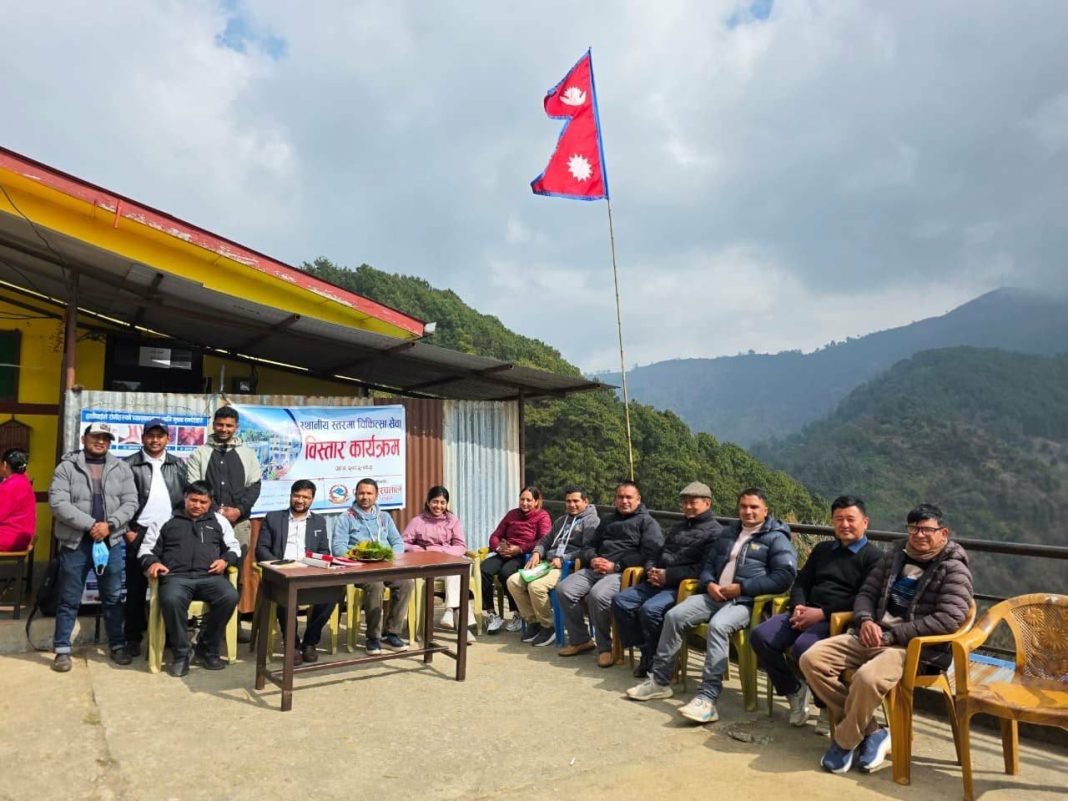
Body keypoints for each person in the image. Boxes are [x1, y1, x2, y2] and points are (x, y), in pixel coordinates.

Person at [799, 503, 973, 775]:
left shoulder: (953, 569)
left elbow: (949, 619)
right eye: (913, 528)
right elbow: (866, 594)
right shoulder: (894, 557)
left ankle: (844, 742)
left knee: (867, 679)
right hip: (873, 636)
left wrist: (893, 635)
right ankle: (873, 731)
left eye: (926, 529)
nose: (919, 535)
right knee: (811, 659)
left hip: (913, 648)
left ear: (943, 533)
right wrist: (865, 620)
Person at [626, 488, 797, 724]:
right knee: (674, 616)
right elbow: (707, 566)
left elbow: (784, 576)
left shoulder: (776, 538)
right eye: (743, 506)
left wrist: (742, 588)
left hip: (745, 602)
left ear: (765, 510)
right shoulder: (729, 533)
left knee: (718, 626)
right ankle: (660, 681)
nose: (748, 511)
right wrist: (708, 583)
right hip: (714, 595)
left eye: (754, 507)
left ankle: (707, 698)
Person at [750, 495, 882, 728]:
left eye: (850, 519)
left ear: (865, 522)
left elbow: (864, 597)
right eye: (838, 519)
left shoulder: (874, 557)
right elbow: (802, 581)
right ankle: (793, 690)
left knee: (804, 648)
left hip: (836, 620)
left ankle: (825, 705)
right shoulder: (823, 549)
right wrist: (798, 606)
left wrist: (822, 614)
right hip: (805, 612)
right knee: (761, 636)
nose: (844, 524)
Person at [48, 423, 138, 672]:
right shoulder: (67, 467)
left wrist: (110, 525)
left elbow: (131, 502)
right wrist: (91, 525)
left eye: (105, 438)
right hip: (76, 542)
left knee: (113, 597)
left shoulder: (121, 468)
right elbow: (58, 503)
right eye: (96, 437)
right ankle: (62, 649)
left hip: (111, 541)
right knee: (69, 598)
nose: (100, 441)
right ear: (83, 438)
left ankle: (117, 645)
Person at [612, 481, 723, 678]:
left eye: (692, 502)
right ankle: (648, 653)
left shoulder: (715, 533)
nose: (687, 506)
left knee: (650, 610)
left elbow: (703, 569)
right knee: (621, 601)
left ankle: (662, 662)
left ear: (707, 503)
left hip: (681, 587)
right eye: (685, 502)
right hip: (657, 580)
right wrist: (651, 570)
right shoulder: (678, 526)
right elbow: (657, 552)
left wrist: (668, 576)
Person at [139, 481, 241, 677]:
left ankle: (208, 647)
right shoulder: (165, 519)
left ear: (210, 502)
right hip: (176, 578)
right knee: (170, 599)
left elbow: (234, 547)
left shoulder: (219, 521)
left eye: (203, 502)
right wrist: (152, 563)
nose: (197, 505)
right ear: (185, 497)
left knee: (230, 596)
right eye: (193, 500)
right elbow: (146, 549)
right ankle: (181, 654)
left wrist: (225, 560)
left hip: (209, 577)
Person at [557, 480, 664, 667]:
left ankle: (605, 648)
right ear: (615, 500)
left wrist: (616, 566)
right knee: (564, 589)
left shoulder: (647, 523)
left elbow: (650, 554)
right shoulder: (607, 520)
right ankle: (581, 640)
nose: (624, 501)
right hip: (595, 568)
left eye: (628, 497)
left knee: (597, 596)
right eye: (620, 497)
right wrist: (593, 559)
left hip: (621, 573)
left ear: (638, 499)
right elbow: (588, 546)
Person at [507, 486, 600, 647]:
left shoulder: (591, 521)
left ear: (585, 502)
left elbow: (588, 550)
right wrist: (537, 552)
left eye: (576, 501)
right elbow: (545, 540)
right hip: (547, 564)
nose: (571, 505)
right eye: (568, 501)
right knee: (513, 582)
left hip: (568, 567)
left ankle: (548, 626)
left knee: (536, 587)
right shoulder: (561, 520)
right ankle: (534, 622)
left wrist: (564, 559)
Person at [123, 419, 185, 657]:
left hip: (169, 534)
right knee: (136, 589)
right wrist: (127, 530)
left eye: (160, 436)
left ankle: (169, 636)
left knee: (171, 587)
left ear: (168, 439)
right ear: (143, 437)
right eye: (151, 435)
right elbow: (115, 500)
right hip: (138, 532)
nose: (155, 440)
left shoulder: (178, 464)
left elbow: (186, 499)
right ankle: (132, 638)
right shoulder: (129, 464)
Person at [256, 480, 336, 664]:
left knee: (331, 596)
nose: (300, 500)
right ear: (291, 496)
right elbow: (261, 550)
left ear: (312, 499)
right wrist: (280, 566)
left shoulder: (319, 521)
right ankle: (291, 644)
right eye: (297, 496)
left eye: (305, 497)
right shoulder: (273, 518)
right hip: (281, 574)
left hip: (308, 574)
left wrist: (315, 564)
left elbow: (324, 551)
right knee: (286, 597)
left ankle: (309, 642)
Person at [331, 478, 411, 655]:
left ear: (376, 495)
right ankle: (373, 638)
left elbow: (398, 542)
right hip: (360, 570)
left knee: (406, 583)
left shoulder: (384, 517)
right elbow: (338, 548)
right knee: (376, 586)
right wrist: (359, 556)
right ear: (355, 494)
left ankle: (391, 634)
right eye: (361, 493)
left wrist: (390, 556)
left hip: (385, 566)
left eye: (369, 493)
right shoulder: (346, 518)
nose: (365, 497)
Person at [401, 485, 476, 643]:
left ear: (446, 504)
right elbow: (403, 543)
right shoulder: (417, 521)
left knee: (457, 572)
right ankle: (463, 629)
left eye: (442, 502)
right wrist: (420, 550)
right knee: (457, 576)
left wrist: (440, 552)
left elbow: (461, 546)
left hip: (447, 564)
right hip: (427, 568)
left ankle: (450, 610)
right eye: (435, 502)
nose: (438, 506)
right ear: (428, 502)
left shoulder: (453, 521)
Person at [182, 406, 262, 549]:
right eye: (220, 424)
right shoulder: (199, 454)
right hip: (206, 521)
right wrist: (217, 511)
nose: (224, 429)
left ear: (236, 427)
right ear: (213, 425)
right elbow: (194, 488)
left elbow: (254, 487)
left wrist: (239, 510)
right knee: (207, 560)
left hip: (239, 523)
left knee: (237, 561)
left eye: (229, 425)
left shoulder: (248, 454)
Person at [481, 486, 552, 634]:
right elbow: (495, 535)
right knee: (484, 569)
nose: (524, 503)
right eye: (522, 499)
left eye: (529, 500)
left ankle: (517, 613)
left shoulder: (542, 516)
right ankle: (491, 614)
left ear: (536, 502)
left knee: (506, 573)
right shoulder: (512, 514)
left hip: (525, 555)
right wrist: (498, 548)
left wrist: (520, 549)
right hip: (505, 552)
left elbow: (543, 540)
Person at [0, 448, 35, 552]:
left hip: (9, 538)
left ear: (5, 465)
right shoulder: (23, 481)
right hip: (22, 537)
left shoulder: (10, 486)